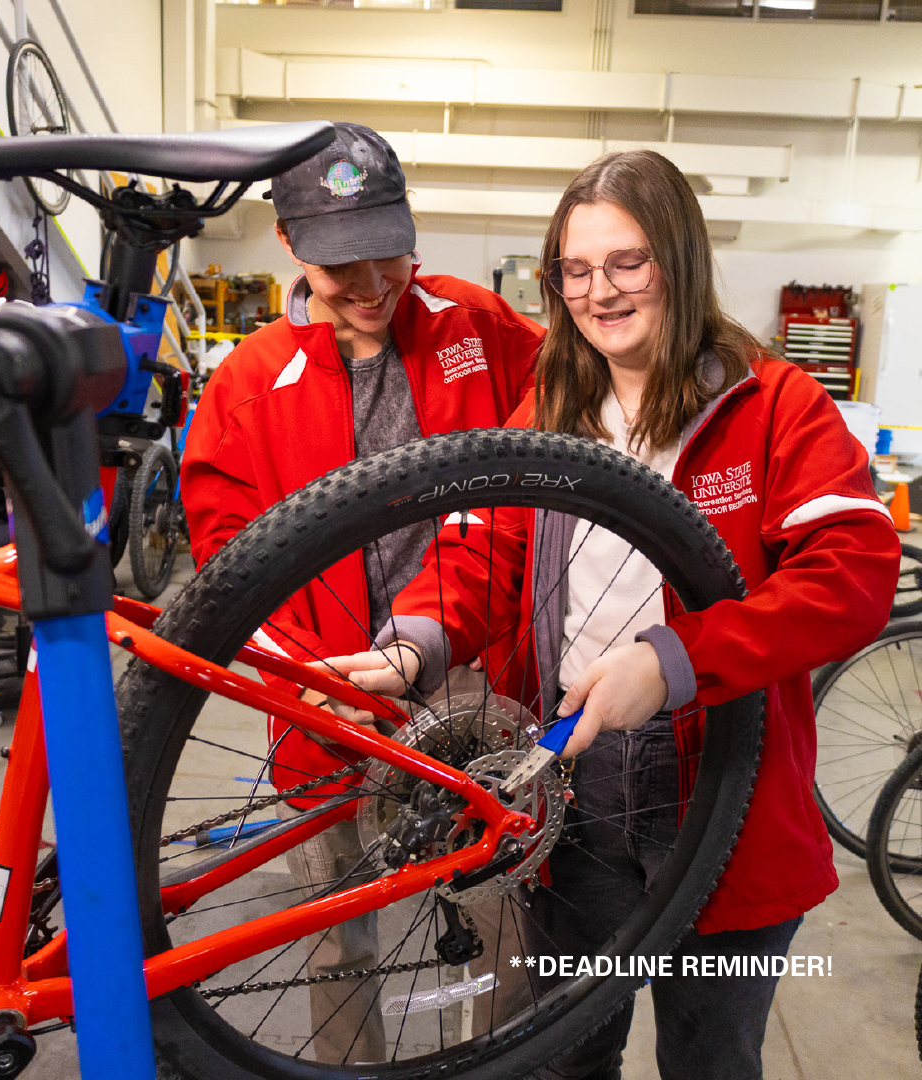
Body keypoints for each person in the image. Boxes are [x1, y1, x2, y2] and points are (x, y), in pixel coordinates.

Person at [318, 148, 900, 1079]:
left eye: (628, 261)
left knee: (710, 1057)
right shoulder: (548, 407)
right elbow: (483, 554)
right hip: (570, 781)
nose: (601, 292)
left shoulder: (772, 404)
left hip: (721, 785)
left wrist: (673, 661)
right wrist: (412, 643)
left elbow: (851, 575)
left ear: (680, 257)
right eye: (575, 270)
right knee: (563, 1056)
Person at [180, 122, 544, 1064]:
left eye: (391, 251)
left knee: (498, 903)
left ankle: (496, 1062)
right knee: (333, 927)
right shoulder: (246, 389)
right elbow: (227, 569)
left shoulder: (485, 332)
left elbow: (555, 484)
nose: (377, 285)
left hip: (473, 679)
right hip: (321, 695)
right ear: (290, 245)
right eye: (346, 266)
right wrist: (285, 677)